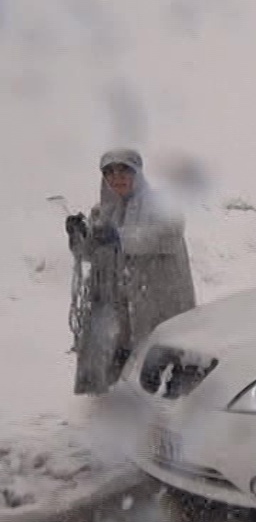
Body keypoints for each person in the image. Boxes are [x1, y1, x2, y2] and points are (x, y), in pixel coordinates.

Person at [65, 148, 197, 394]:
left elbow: (167, 236)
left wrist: (119, 236)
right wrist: (78, 237)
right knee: (119, 374)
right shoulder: (103, 212)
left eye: (124, 169)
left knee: (163, 375)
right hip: (120, 308)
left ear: (138, 172)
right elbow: (92, 254)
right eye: (110, 172)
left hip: (159, 301)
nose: (117, 177)